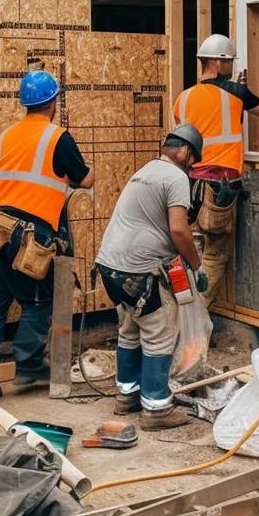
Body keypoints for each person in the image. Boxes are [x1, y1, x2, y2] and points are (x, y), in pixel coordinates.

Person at [0, 69, 93, 405]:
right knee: (38, 301)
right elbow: (85, 179)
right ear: (53, 102)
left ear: (25, 104)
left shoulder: (7, 135)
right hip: (28, 235)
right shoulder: (58, 137)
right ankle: (30, 365)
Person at [95, 123, 207, 430]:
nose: (192, 165)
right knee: (159, 333)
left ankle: (126, 396)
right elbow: (179, 229)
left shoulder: (147, 170)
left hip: (110, 266)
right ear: (184, 151)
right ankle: (156, 408)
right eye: (193, 159)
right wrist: (196, 265)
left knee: (131, 328)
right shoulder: (176, 177)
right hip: (139, 270)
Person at [173, 34, 259, 306]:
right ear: (218, 62)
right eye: (229, 61)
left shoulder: (182, 99)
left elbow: (205, 123)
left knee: (190, 252)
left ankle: (180, 312)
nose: (231, 66)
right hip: (220, 188)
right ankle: (197, 319)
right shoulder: (236, 93)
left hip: (190, 187)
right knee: (214, 255)